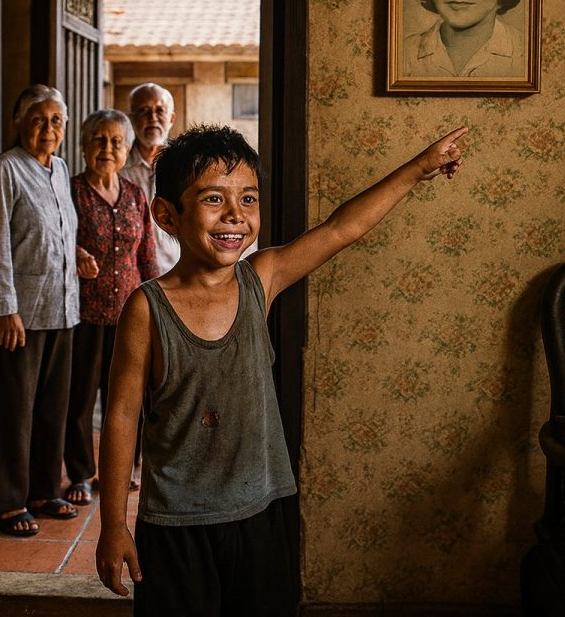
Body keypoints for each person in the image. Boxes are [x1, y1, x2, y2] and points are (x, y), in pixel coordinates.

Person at [95, 123, 468, 616]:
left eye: (248, 200)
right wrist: (113, 524)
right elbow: (122, 416)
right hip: (175, 525)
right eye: (213, 199)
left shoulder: (261, 280)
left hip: (261, 512)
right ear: (167, 215)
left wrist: (419, 168)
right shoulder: (146, 309)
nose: (235, 216)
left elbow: (341, 229)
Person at [0, 85, 80, 536]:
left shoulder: (59, 169)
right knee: (15, 409)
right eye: (39, 119)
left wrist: (79, 257)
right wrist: (5, 308)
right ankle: (10, 501)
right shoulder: (6, 168)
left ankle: (44, 489)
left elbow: (54, 232)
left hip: (63, 305)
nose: (49, 128)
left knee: (53, 408)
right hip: (22, 313)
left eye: (57, 120)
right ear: (20, 122)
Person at [64, 109, 159, 507]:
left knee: (127, 398)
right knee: (81, 399)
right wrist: (75, 252)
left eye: (115, 141)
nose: (107, 148)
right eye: (98, 141)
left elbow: (147, 255)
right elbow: (56, 238)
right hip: (84, 313)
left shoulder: (136, 194)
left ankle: (125, 468)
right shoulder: (71, 191)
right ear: (85, 146)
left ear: (125, 150)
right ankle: (82, 474)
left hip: (129, 317)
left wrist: (157, 304)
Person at [120, 83, 180, 274]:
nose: (152, 118)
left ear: (171, 118)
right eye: (144, 111)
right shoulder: (117, 169)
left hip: (176, 272)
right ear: (131, 119)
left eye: (159, 111)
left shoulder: (186, 168)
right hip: (130, 277)